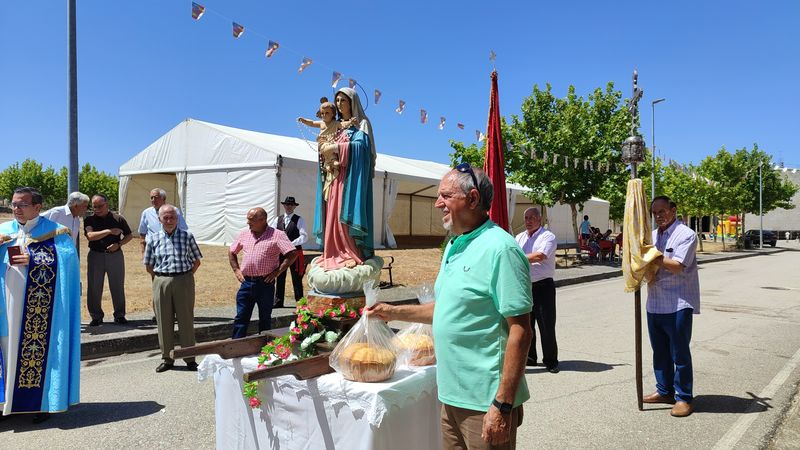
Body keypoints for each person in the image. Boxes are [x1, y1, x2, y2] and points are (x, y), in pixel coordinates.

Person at [368, 165, 533, 449]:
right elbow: (446, 309)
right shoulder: (455, 246)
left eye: (445, 195)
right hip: (451, 396)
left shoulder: (501, 249)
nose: (437, 203)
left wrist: (502, 404)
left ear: (472, 199)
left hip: (485, 401)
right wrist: (393, 312)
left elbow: (520, 330)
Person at [0, 187, 80, 423]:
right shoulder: (4, 231)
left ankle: (41, 403)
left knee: (39, 353)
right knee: (6, 352)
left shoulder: (56, 233)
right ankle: (6, 403)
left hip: (41, 312)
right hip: (6, 308)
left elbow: (67, 264)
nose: (16, 209)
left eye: (22, 204)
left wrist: (34, 260)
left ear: (37, 207)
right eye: (14, 204)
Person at [643, 196, 700, 418]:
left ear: (673, 210)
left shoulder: (686, 234)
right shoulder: (653, 236)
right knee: (660, 352)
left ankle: (684, 397)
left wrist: (649, 255)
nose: (659, 216)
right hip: (655, 302)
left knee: (680, 353)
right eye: (655, 213)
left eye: (663, 211)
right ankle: (664, 391)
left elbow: (676, 266)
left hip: (678, 302)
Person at [312, 87, 376, 270]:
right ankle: (332, 251)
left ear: (352, 102)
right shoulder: (336, 125)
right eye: (337, 101)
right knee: (332, 213)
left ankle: (349, 251)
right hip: (334, 178)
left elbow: (362, 150)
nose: (339, 105)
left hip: (350, 180)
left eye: (343, 101)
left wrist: (337, 148)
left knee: (344, 213)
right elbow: (325, 142)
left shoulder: (361, 124)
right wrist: (324, 150)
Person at [143, 204, 202, 373]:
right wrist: (160, 279)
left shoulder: (187, 236)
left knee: (186, 320)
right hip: (161, 281)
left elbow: (197, 261)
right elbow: (148, 265)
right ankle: (167, 359)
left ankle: (190, 358)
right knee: (164, 321)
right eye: (165, 218)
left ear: (177, 219)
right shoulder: (152, 239)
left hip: (183, 280)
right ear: (160, 219)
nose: (169, 221)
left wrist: (186, 275)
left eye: (172, 217)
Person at [228, 207, 297, 338]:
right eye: (247, 220)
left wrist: (277, 272)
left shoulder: (277, 235)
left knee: (265, 318)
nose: (248, 223)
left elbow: (292, 253)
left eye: (251, 220)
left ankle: (264, 350)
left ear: (263, 220)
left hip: (265, 283)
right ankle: (235, 347)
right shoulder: (244, 234)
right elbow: (232, 251)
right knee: (241, 318)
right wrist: (236, 270)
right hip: (246, 282)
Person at [515, 207, 559, 373]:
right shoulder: (519, 237)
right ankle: (530, 358)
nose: (528, 221)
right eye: (526, 218)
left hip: (543, 286)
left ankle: (551, 360)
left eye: (532, 217)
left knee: (546, 325)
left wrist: (514, 256)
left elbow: (540, 255)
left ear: (539, 219)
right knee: (527, 325)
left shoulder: (547, 236)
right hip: (525, 286)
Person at [84, 194, 133, 326]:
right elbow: (90, 236)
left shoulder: (118, 218)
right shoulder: (89, 220)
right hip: (96, 255)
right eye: (94, 207)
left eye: (100, 206)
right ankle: (96, 316)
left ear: (107, 204)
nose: (97, 209)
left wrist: (119, 244)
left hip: (115, 256)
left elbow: (129, 235)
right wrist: (109, 231)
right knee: (94, 287)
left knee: (117, 286)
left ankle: (119, 315)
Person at [298, 100, 356, 201]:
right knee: (326, 149)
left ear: (333, 113)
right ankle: (331, 162)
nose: (324, 115)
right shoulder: (321, 123)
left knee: (332, 151)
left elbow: (344, 125)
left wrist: (351, 122)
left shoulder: (336, 123)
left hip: (332, 142)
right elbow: (311, 123)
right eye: (322, 113)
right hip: (323, 142)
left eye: (327, 113)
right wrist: (304, 120)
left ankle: (330, 164)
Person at [268, 196, 308, 308]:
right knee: (280, 275)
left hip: (295, 253)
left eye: (291, 205)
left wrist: (291, 243)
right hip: (281, 253)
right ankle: (278, 301)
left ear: (294, 206)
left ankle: (300, 302)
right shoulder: (277, 220)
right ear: (284, 206)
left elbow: (304, 236)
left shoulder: (300, 220)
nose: (289, 207)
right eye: (287, 205)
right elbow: (272, 234)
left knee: (297, 277)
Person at [138, 188, 187, 254]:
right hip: (153, 250)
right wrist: (143, 251)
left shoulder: (174, 211)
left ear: (163, 198)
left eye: (156, 197)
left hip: (171, 249)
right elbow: (142, 233)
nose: (153, 200)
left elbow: (183, 229)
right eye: (151, 198)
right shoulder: (146, 213)